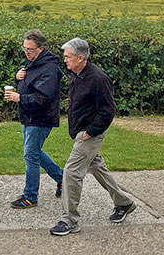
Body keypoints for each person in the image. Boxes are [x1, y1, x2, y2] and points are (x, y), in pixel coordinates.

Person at [50, 38, 136, 236]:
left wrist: (91, 131)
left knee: (71, 172)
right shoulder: (76, 73)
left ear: (81, 58)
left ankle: (70, 220)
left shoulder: (98, 78)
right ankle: (124, 203)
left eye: (68, 57)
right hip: (80, 131)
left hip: (89, 134)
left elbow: (108, 110)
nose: (65, 61)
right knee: (97, 166)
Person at [5, 29, 64, 209]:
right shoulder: (32, 63)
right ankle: (62, 179)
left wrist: (19, 98)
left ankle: (30, 197)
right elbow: (28, 86)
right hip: (29, 116)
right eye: (24, 48)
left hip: (41, 118)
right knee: (34, 152)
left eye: (30, 49)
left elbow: (43, 98)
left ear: (41, 48)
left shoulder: (50, 69)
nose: (26, 52)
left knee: (30, 155)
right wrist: (18, 79)